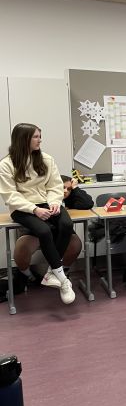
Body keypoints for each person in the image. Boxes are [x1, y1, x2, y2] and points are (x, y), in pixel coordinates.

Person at [0, 124, 76, 305]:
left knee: (66, 225)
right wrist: (34, 209)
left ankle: (52, 272)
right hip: (21, 208)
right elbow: (10, 195)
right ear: (23, 139)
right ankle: (63, 281)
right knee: (43, 231)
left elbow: (55, 185)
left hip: (47, 203)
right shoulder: (6, 164)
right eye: (36, 137)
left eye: (40, 136)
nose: (40, 140)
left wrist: (55, 202)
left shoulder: (46, 159)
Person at [13, 175, 92, 282]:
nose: (65, 191)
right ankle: (27, 275)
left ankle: (62, 272)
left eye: (69, 189)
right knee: (22, 246)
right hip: (37, 231)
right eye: (62, 187)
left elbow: (88, 203)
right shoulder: (41, 198)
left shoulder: (70, 199)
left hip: (60, 231)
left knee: (76, 243)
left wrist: (76, 188)